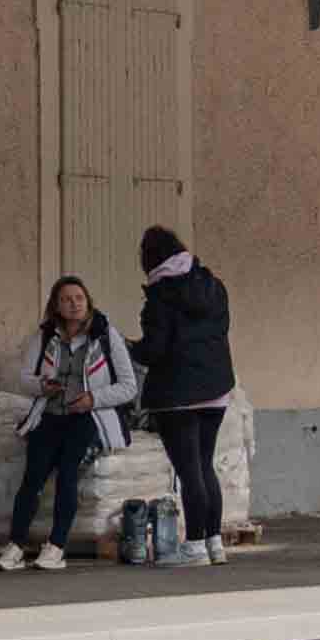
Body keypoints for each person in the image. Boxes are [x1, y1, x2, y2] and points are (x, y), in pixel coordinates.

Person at [1, 273, 127, 569]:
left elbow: (128, 385)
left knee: (68, 473)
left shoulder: (105, 334)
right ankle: (15, 545)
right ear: (56, 306)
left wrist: (92, 399)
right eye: (67, 300)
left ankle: (56, 546)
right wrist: (42, 386)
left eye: (79, 298)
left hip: (86, 416)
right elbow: (24, 380)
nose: (74, 305)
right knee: (32, 478)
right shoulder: (45, 336)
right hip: (50, 414)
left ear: (88, 302)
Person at [129, 223, 236, 564]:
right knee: (205, 466)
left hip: (177, 393)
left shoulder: (161, 296)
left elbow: (154, 350)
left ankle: (193, 544)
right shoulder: (213, 286)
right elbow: (221, 330)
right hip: (216, 388)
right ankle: (215, 543)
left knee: (189, 471)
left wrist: (131, 348)